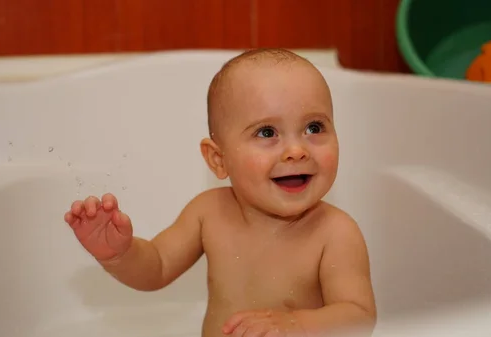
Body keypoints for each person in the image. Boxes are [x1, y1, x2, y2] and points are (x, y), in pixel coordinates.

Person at [64, 48, 377, 337]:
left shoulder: (335, 233)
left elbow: (360, 316)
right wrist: (120, 254)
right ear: (219, 159)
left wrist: (297, 325)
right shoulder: (208, 213)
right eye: (267, 132)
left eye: (314, 127)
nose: (296, 150)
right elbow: (156, 267)